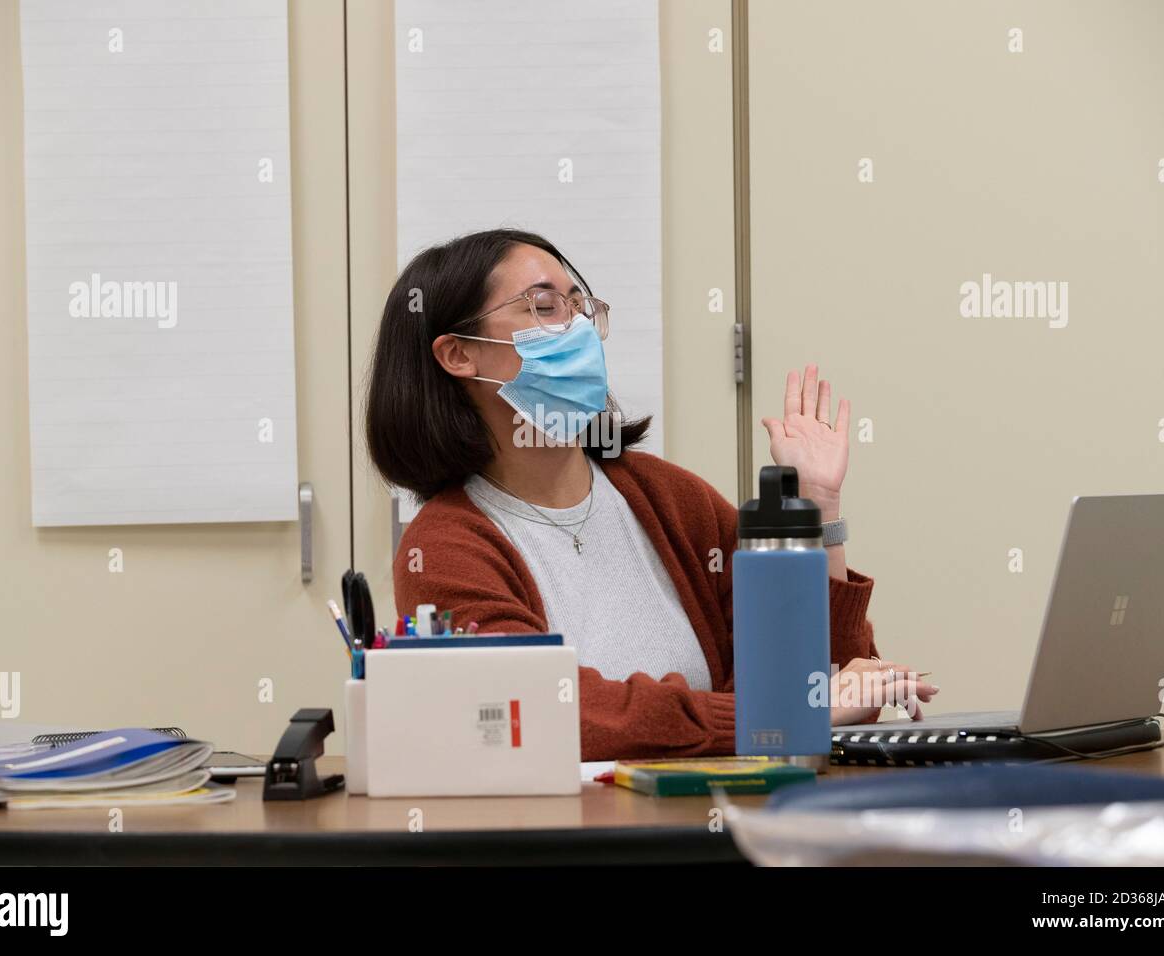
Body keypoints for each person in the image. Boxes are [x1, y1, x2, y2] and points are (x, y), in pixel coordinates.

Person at [366, 228, 937, 760]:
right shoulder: (443, 551)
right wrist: (781, 712)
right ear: (458, 354)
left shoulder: (668, 497)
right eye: (544, 307)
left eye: (580, 306)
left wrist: (818, 509)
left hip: (728, 822)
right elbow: (552, 710)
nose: (577, 328)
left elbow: (824, 683)